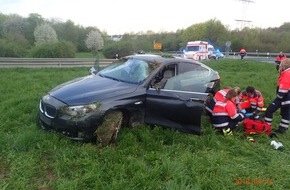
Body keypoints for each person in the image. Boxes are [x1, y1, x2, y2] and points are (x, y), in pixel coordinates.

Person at [264, 59, 290, 133]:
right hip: (287, 98)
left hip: (284, 97)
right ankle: (282, 129)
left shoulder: (287, 74)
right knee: (286, 114)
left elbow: (284, 88)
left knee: (269, 111)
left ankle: (266, 127)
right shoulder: (287, 72)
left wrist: (278, 97)